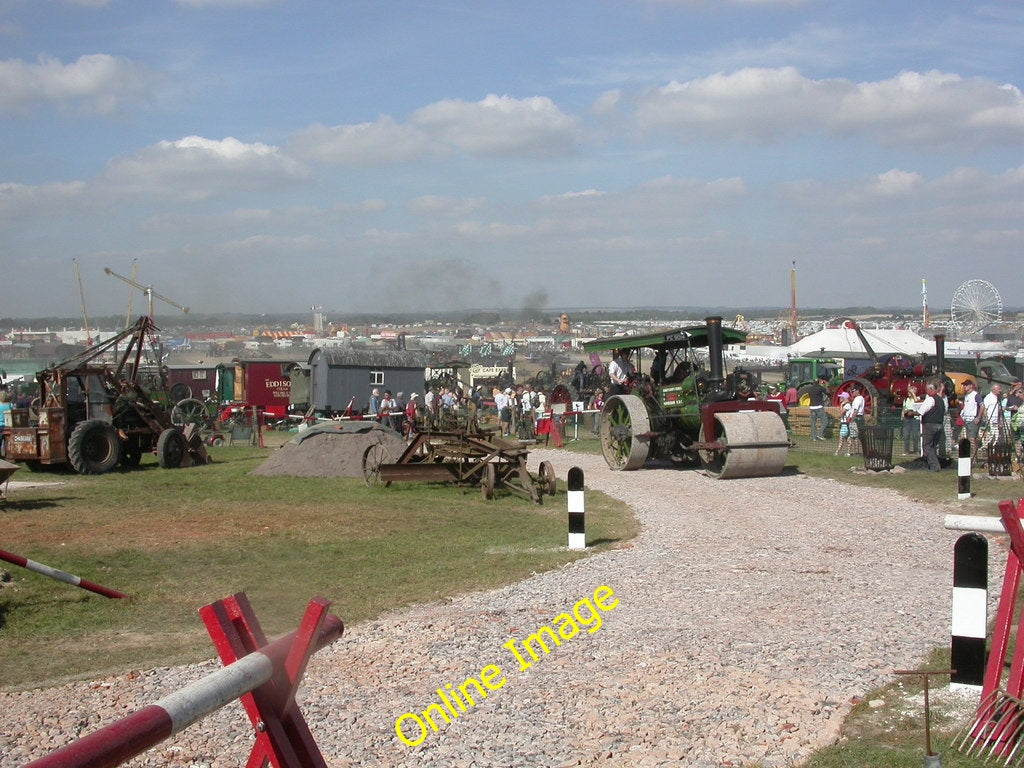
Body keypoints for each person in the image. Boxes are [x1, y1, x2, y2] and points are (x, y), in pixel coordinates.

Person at [919, 381, 945, 471]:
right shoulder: (940, 400)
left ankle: (935, 466)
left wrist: (910, 413)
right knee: (932, 446)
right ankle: (933, 464)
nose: (926, 391)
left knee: (926, 446)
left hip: (929, 425)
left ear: (931, 389)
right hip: (939, 425)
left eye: (927, 389)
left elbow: (921, 411)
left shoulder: (930, 399)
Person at [958, 379, 981, 457]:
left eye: (966, 385)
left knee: (972, 439)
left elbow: (982, 406)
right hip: (966, 420)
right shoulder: (966, 395)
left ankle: (974, 457)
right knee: (968, 439)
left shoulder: (976, 395)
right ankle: (971, 456)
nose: (964, 386)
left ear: (971, 385)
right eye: (964, 385)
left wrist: (978, 417)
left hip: (972, 420)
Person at [982, 382, 1005, 453]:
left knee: (997, 435)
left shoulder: (997, 398)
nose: (1000, 390)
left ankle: (993, 448)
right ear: (994, 389)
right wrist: (986, 419)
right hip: (990, 420)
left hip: (996, 420)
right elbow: (984, 408)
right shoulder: (988, 397)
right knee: (991, 434)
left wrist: (999, 419)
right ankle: (985, 446)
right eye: (999, 389)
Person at [901, 385, 922, 456]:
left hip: (914, 418)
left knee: (915, 435)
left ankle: (916, 450)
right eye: (908, 392)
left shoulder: (916, 398)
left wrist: (913, 394)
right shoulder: (905, 399)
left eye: (910, 391)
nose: (908, 393)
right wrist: (902, 415)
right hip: (907, 419)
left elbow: (916, 401)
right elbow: (904, 408)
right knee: (906, 435)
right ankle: (906, 450)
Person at [806, 375, 828, 441]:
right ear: (818, 382)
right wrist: (825, 384)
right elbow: (828, 392)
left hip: (812, 407)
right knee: (825, 420)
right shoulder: (820, 388)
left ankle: (813, 437)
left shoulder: (809, 389)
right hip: (819, 407)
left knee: (813, 422)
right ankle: (820, 434)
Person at [848, 384, 865, 455]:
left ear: (857, 391)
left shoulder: (859, 399)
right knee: (854, 436)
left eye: (853, 391)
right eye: (852, 391)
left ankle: (859, 451)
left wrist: (852, 419)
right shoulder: (856, 398)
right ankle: (856, 451)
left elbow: (856, 410)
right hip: (856, 417)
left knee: (857, 436)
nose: (852, 392)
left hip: (857, 417)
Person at [834, 391, 853, 456]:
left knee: (842, 439)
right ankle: (848, 452)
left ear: (844, 398)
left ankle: (837, 452)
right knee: (848, 439)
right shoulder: (846, 405)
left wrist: (841, 405)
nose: (840, 398)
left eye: (841, 397)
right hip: (846, 424)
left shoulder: (847, 405)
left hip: (845, 424)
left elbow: (841, 413)